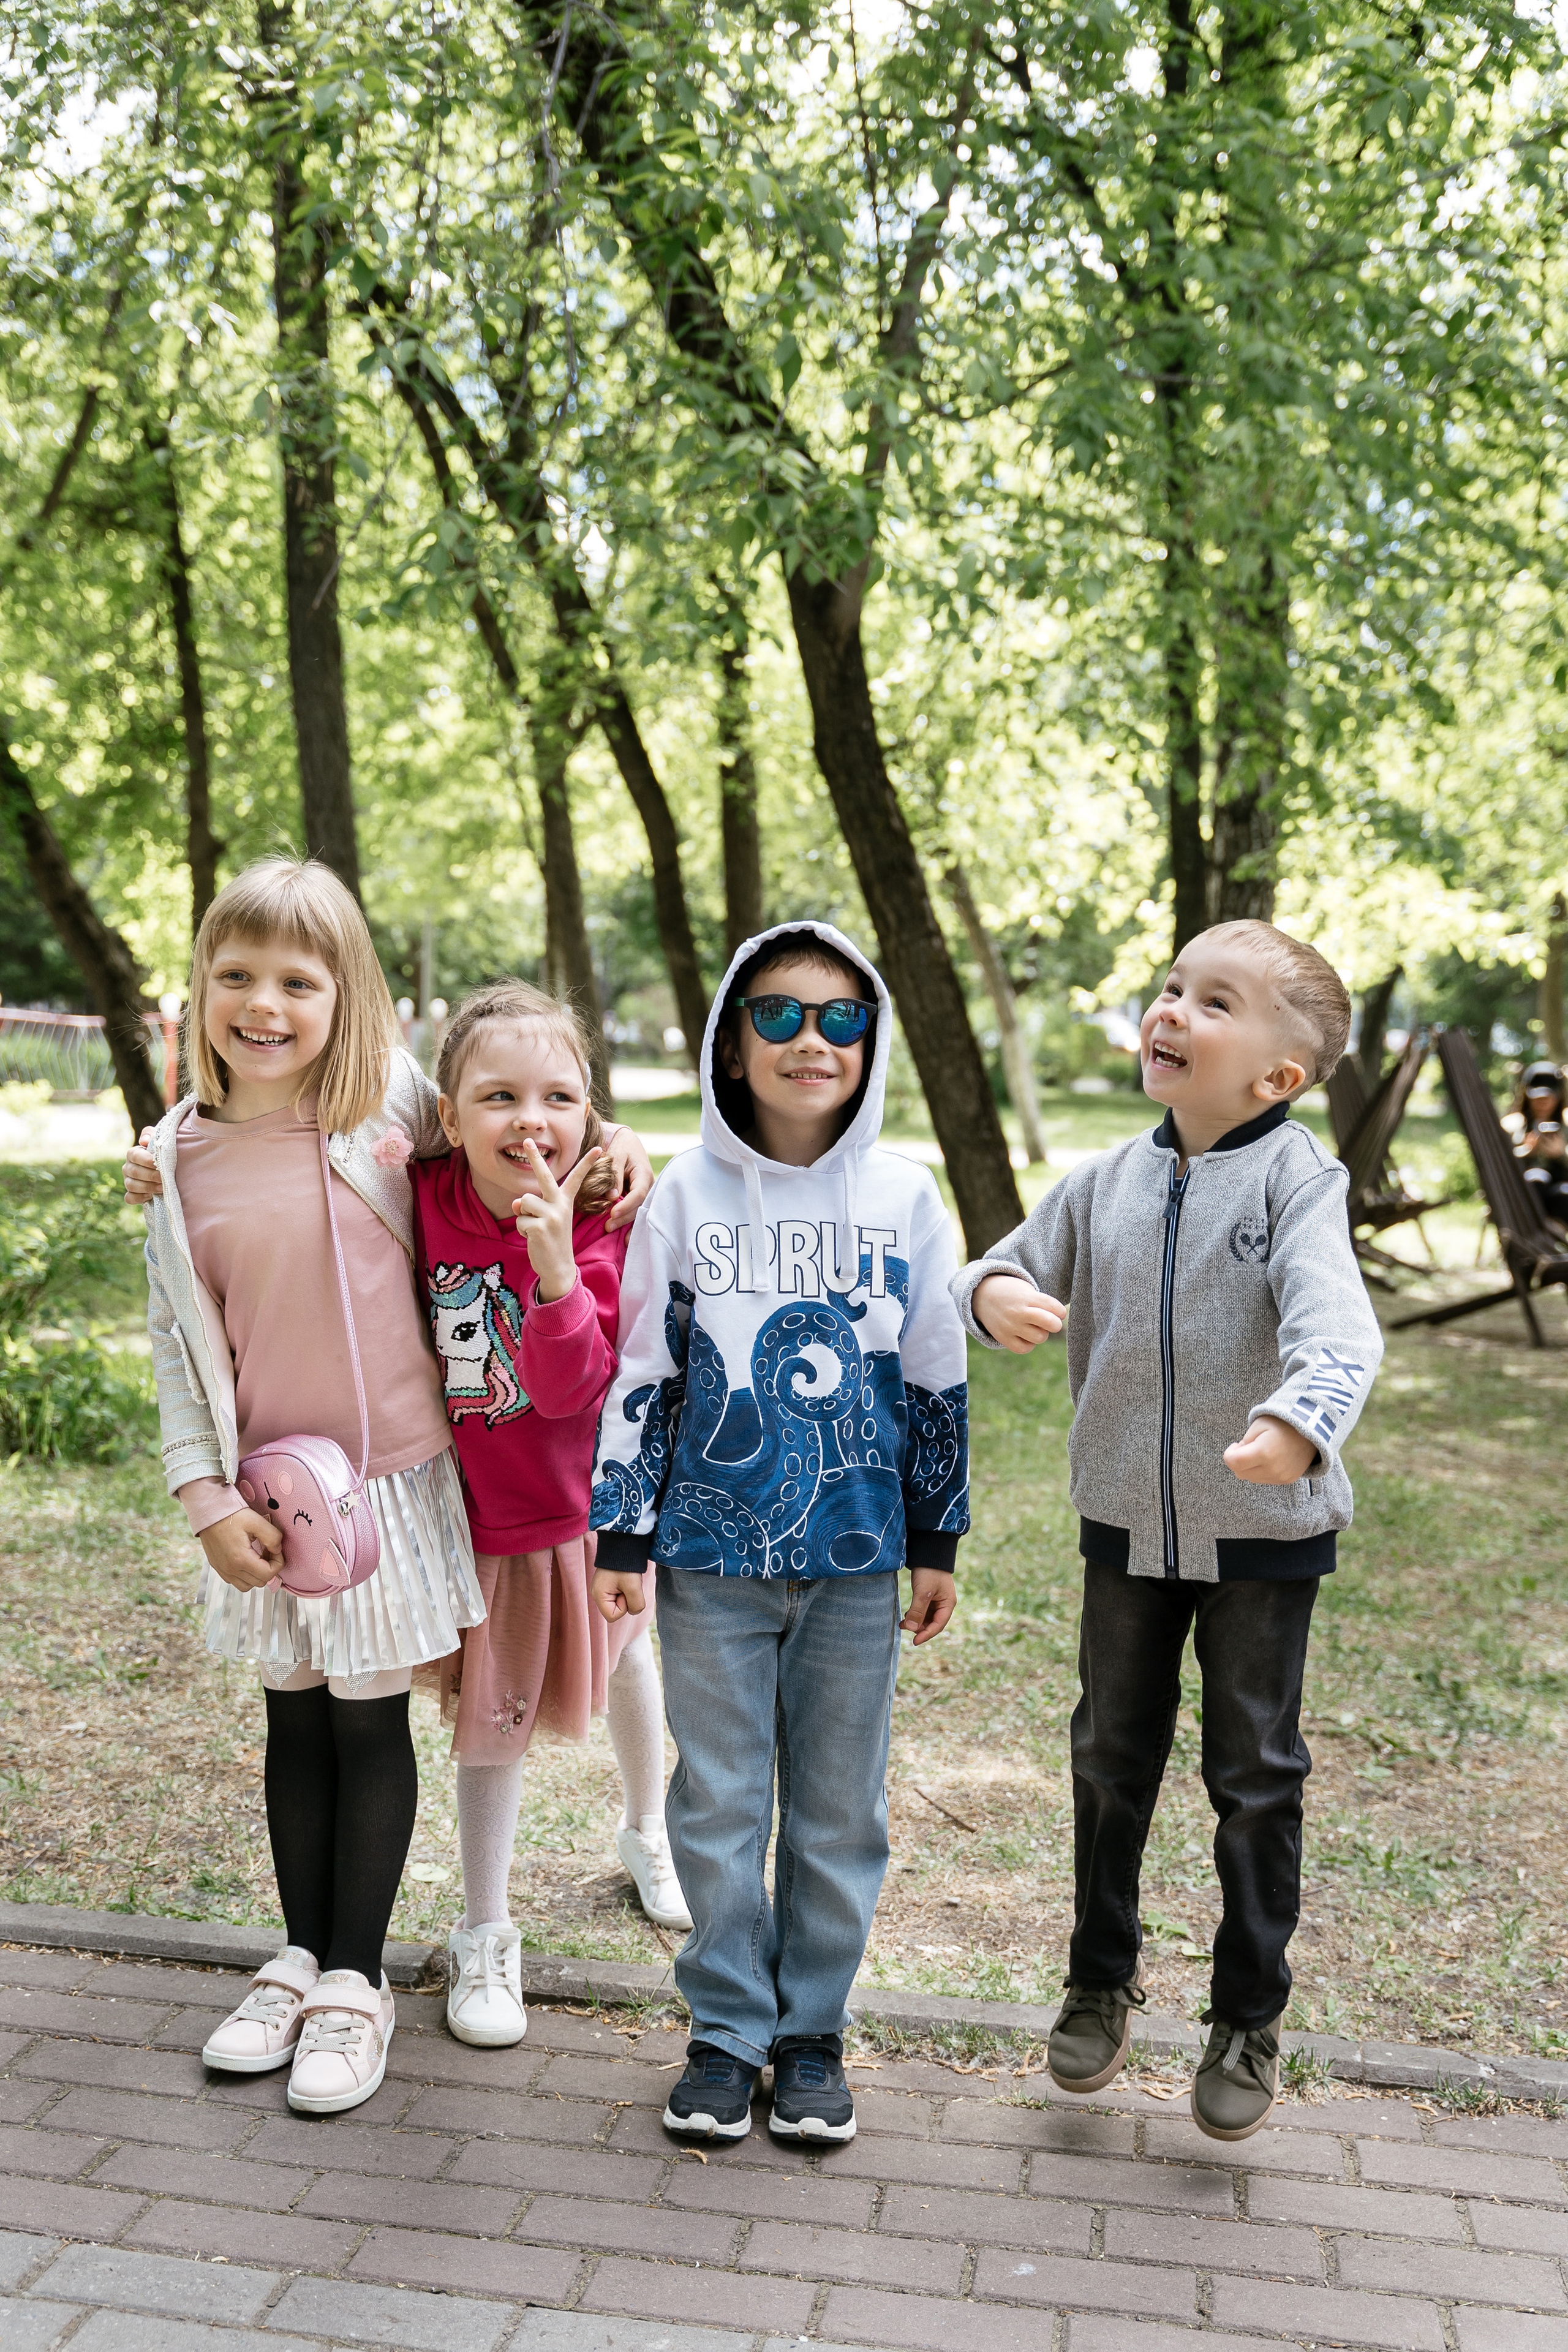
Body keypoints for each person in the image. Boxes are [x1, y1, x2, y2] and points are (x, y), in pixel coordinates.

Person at [127, 859, 652, 2114]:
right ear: (198, 991)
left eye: (298, 981)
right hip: (268, 1500)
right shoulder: (177, 1159)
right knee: (292, 1722)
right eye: (236, 976)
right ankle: (300, 1957)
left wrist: (610, 1136)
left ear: (343, 993)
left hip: (390, 1492)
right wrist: (205, 1501)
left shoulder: (383, 1111)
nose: (264, 1004)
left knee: (368, 1721)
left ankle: (357, 1987)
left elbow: (510, 1116)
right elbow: (173, 1349)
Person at [951, 919, 1384, 2144]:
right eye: (1169, 988)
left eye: (1214, 1002)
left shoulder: (1297, 1182)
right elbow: (995, 1265)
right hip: (1125, 1531)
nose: (1172, 1011)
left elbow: (1335, 1327)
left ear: (1277, 1077)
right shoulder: (1107, 1181)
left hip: (1261, 1533)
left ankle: (1247, 2012)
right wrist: (992, 1295)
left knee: (1251, 1775)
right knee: (1106, 1759)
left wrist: (1299, 1422)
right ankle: (1098, 1979)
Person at [589, 922, 970, 2145]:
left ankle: (809, 2036)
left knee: (837, 1813)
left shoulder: (905, 1196)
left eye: (839, 1019)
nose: (810, 1039)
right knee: (715, 1808)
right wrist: (620, 1531)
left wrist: (936, 1538)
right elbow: (644, 1366)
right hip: (708, 1563)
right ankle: (723, 2033)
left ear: (870, 1042)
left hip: (858, 1568)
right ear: (730, 1041)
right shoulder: (684, 1194)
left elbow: (931, 1377)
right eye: (778, 1015)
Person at [410, 981, 690, 2051]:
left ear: (589, 1115)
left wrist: (558, 1269)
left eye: (560, 1098)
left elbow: (581, 1388)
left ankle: (646, 1831)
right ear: (450, 1117)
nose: (531, 1118)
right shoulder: (423, 1186)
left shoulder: (609, 1221)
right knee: (498, 1719)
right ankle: (485, 1928)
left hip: (589, 1511)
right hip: (487, 1524)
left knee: (628, 1660)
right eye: (498, 1097)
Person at [1512, 1060, 1568, 1229]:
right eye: (1537, 1097)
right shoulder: (1515, 1125)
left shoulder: (1566, 1124)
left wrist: (1560, 1155)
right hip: (1527, 1195)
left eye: (1548, 1097)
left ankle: (1553, 1241)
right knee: (1536, 1178)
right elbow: (1503, 1164)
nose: (1543, 1103)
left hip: (1560, 1194)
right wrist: (1526, 1152)